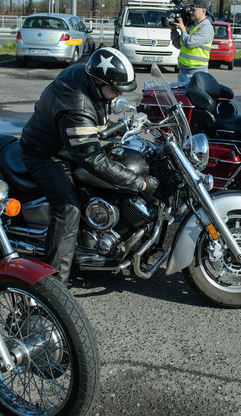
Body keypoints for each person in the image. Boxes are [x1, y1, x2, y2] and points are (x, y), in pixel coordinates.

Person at [20, 46, 157, 283]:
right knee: (68, 208)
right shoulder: (76, 105)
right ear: (97, 81)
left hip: (68, 145)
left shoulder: (88, 74)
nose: (117, 94)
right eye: (114, 89)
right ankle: (54, 284)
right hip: (46, 153)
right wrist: (140, 184)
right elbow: (91, 157)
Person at [175, 0, 214, 85]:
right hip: (183, 72)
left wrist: (183, 29)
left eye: (193, 10)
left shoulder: (206, 28)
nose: (191, 12)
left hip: (196, 74)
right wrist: (173, 30)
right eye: (190, 10)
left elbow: (189, 43)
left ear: (203, 11)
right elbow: (178, 44)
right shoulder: (192, 27)